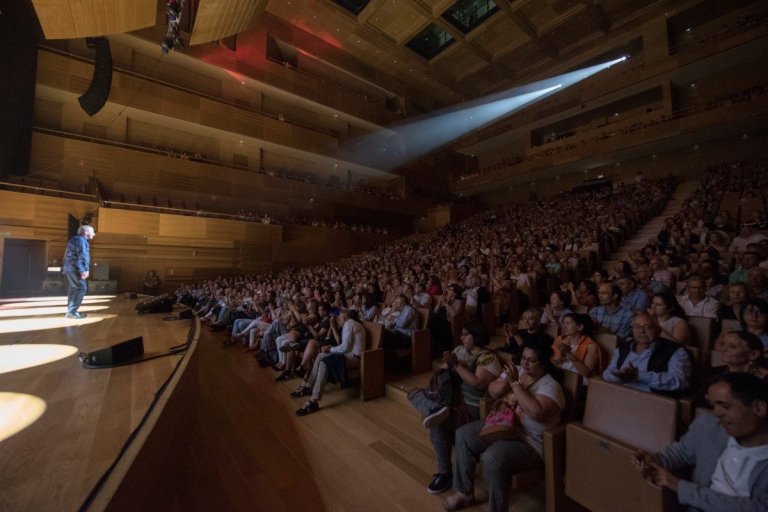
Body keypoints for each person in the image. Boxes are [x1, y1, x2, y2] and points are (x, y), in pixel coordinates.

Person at [443, 342, 565, 512]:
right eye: (523, 358)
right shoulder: (517, 371)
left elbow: (536, 413)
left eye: (531, 360)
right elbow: (492, 390)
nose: (525, 363)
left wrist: (515, 384)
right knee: (463, 434)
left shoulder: (550, 386)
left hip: (529, 442)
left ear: (544, 363)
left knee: (493, 457)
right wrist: (504, 384)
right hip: (502, 426)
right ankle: (464, 493)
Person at [633, 373, 768, 512]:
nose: (716, 413)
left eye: (725, 406)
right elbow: (681, 453)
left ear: (758, 408)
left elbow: (758, 508)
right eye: (713, 405)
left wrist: (681, 487)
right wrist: (655, 460)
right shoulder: (709, 425)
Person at [409, 322, 501, 495]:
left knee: (438, 425)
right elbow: (441, 372)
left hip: (472, 406)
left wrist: (456, 365)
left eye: (466, 334)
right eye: (462, 334)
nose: (461, 338)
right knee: (414, 394)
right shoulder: (460, 350)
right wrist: (448, 363)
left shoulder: (488, 358)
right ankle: (437, 408)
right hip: (453, 399)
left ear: (477, 336)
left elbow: (478, 383)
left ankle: (445, 473)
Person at [294, 309, 365, 416]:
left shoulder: (349, 324)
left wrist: (330, 350)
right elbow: (346, 347)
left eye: (339, 318)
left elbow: (345, 347)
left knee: (324, 363)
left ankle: (314, 401)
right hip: (348, 355)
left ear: (344, 318)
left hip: (355, 359)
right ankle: (309, 387)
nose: (338, 320)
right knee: (321, 355)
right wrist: (331, 348)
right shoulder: (351, 324)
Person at [602, 312, 691, 395]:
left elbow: (680, 381)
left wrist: (639, 376)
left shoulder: (675, 350)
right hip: (620, 395)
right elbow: (607, 373)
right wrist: (620, 376)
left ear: (658, 331)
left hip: (652, 400)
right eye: (636, 326)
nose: (641, 330)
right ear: (632, 330)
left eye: (647, 327)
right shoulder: (623, 348)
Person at [552, 313, 604, 380]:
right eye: (563, 323)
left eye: (567, 324)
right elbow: (551, 362)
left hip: (579, 380)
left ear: (580, 327)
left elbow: (586, 373)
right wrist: (560, 358)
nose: (564, 327)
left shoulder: (591, 346)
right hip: (560, 374)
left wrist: (569, 354)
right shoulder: (560, 340)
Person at [62, 225, 95, 319]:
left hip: (70, 268)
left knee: (73, 289)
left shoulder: (75, 239)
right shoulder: (81, 240)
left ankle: (71, 311)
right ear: (86, 232)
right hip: (75, 268)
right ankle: (72, 311)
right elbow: (82, 256)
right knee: (81, 288)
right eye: (92, 232)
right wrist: (84, 270)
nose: (94, 234)